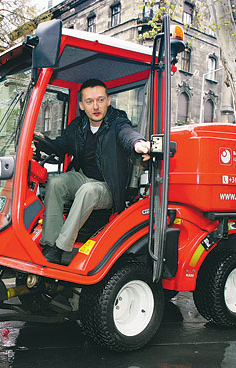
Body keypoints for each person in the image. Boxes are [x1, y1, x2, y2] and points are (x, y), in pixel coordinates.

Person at [38, 79, 151, 265]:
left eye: (100, 100)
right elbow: (61, 145)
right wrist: (43, 141)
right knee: (56, 183)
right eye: (89, 101)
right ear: (82, 106)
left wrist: (138, 143)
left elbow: (127, 134)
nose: (96, 106)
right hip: (83, 178)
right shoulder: (78, 126)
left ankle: (60, 248)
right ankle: (50, 243)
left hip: (108, 186)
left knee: (88, 190)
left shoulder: (117, 122)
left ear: (108, 101)